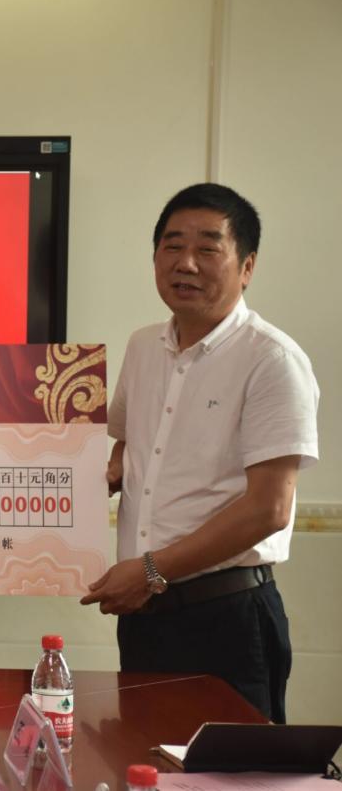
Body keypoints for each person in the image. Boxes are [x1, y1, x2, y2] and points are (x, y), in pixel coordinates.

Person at [80, 183, 318, 723]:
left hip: (227, 617)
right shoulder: (143, 346)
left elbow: (269, 509)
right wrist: (100, 472)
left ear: (247, 266)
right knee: (142, 757)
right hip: (145, 614)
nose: (185, 262)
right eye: (172, 245)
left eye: (208, 248)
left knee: (228, 767)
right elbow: (126, 443)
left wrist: (149, 570)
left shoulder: (272, 360)